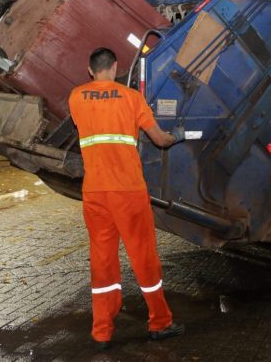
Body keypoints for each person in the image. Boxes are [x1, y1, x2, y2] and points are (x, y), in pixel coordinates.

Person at [68, 47, 185, 350]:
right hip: (129, 191)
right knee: (143, 257)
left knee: (103, 260)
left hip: (95, 192)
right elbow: (159, 139)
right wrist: (177, 135)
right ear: (116, 67)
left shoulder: (76, 97)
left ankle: (102, 332)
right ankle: (160, 322)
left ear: (90, 70)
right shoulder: (132, 97)